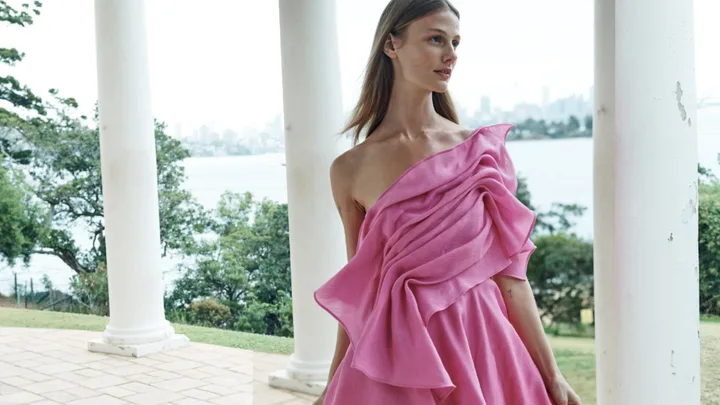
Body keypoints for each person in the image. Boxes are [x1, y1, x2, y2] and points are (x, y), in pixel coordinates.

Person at [312, 0, 582, 404]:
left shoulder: (479, 153)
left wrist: (553, 376)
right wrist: (333, 383)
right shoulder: (349, 169)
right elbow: (361, 290)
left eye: (455, 42)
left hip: (482, 350)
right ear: (392, 45)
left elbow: (512, 279)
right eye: (436, 39)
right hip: (398, 364)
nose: (451, 54)